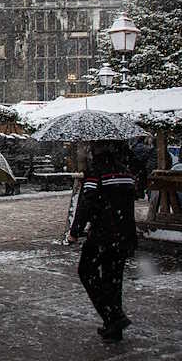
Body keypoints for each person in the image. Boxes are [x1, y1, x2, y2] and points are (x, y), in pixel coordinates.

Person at [69, 141, 136, 343]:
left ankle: (113, 316)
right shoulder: (125, 172)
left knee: (86, 271)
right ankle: (113, 327)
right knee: (113, 278)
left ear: (95, 150)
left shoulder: (96, 172)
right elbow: (129, 200)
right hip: (124, 234)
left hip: (103, 235)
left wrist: (75, 231)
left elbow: (87, 204)